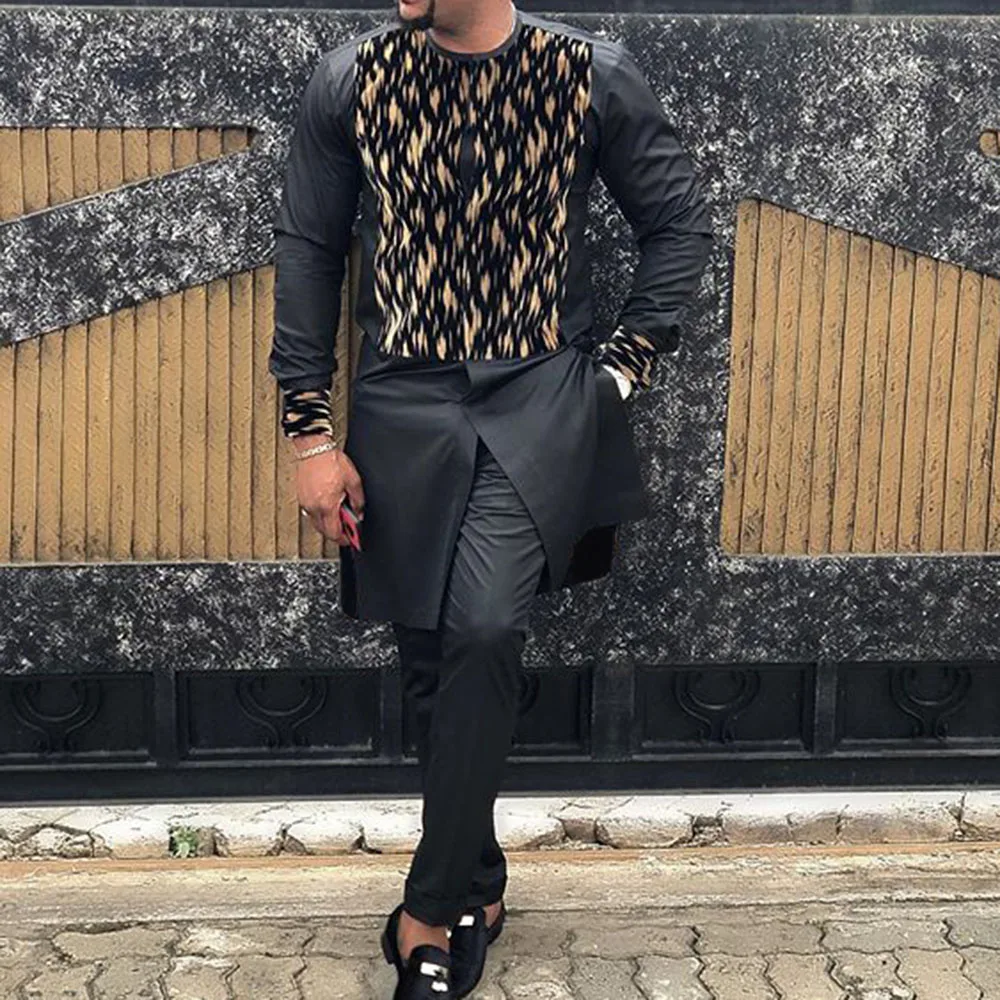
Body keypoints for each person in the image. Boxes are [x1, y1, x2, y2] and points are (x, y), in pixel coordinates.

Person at [268, 0, 714, 993]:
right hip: (400, 400)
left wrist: (619, 373)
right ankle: (481, 880)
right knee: (430, 657)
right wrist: (311, 435)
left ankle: (427, 915)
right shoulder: (354, 79)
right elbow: (308, 249)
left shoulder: (591, 73)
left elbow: (679, 222)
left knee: (483, 627)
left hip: (538, 395)